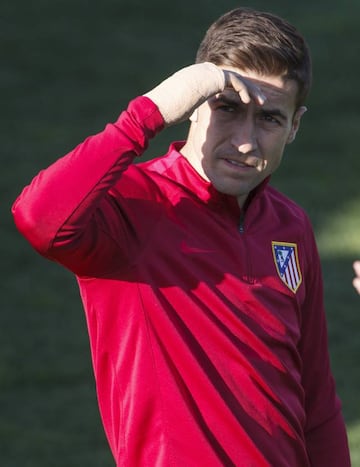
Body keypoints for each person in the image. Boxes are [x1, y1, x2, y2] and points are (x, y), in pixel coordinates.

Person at [12, 7, 350, 466]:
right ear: (192, 105)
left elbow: (317, 400)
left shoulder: (291, 226)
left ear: (295, 126)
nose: (245, 141)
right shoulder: (133, 204)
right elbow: (39, 220)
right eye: (228, 108)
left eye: (270, 119)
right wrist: (143, 116)